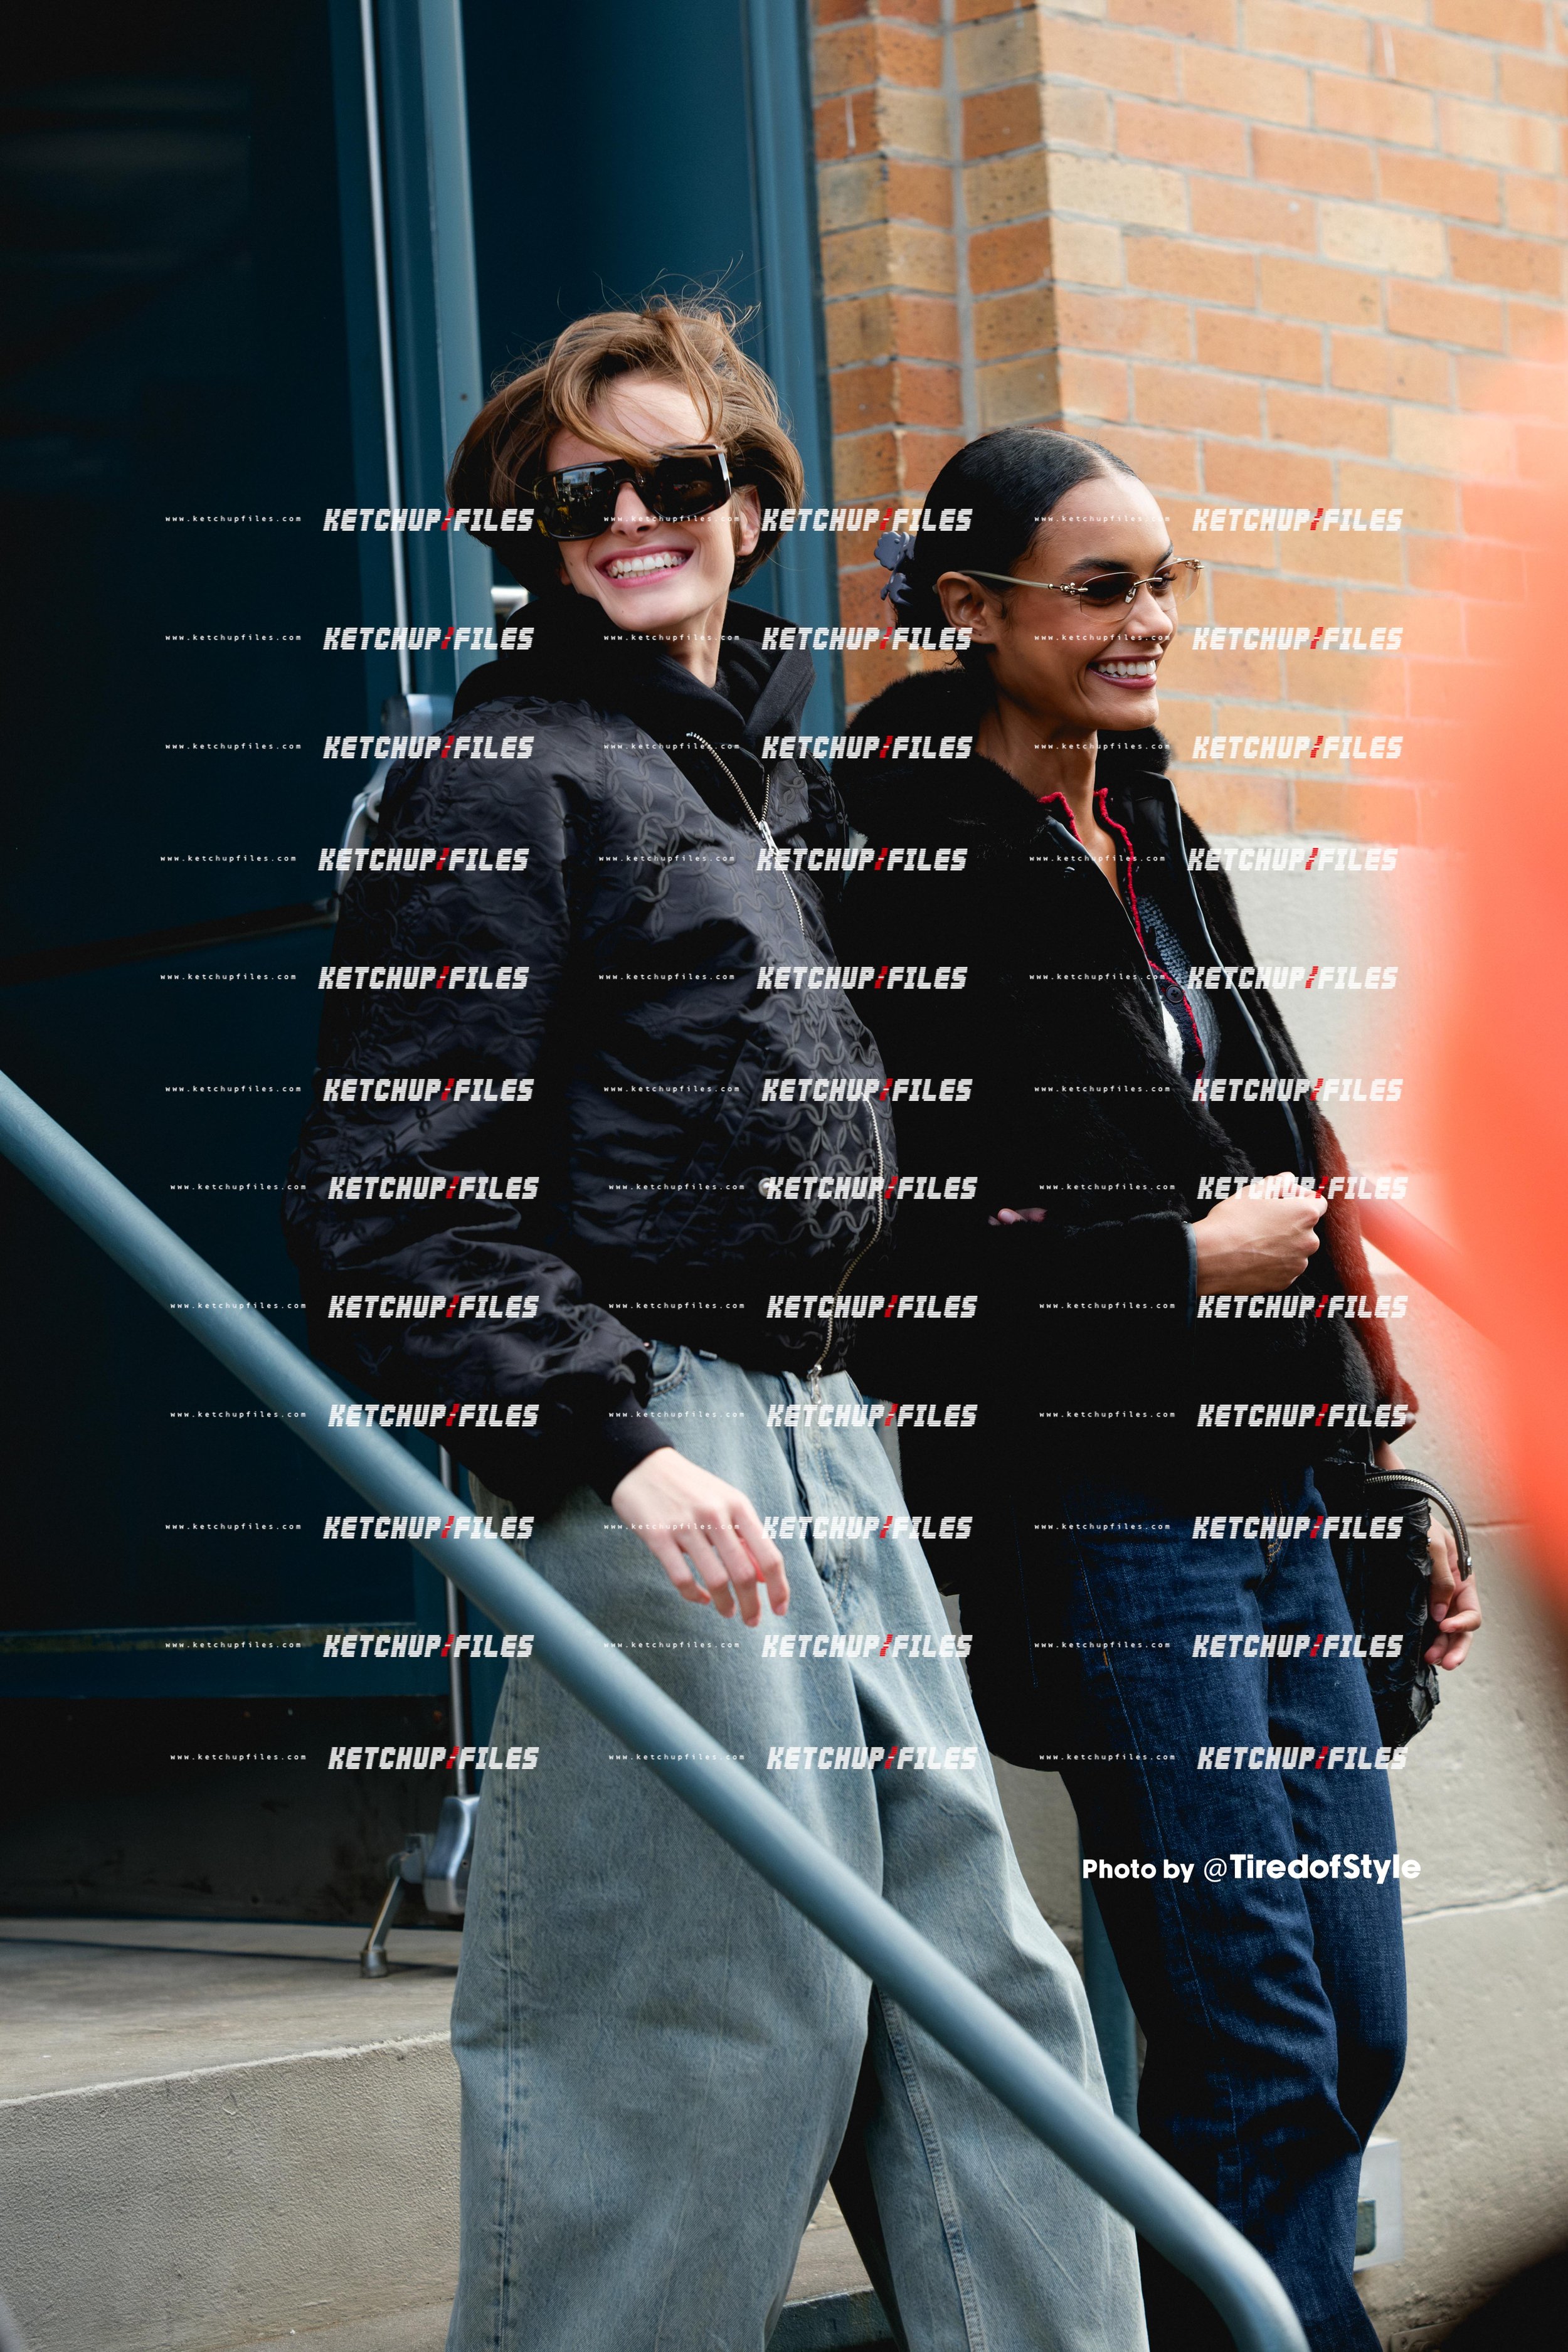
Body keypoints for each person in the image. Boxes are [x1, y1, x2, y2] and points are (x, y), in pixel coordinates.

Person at [285, 309, 1145, 2352]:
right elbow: (396, 1196)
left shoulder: (775, 788)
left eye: (677, 477)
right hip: (659, 1436)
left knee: (982, 2003)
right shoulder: (508, 777)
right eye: (580, 492)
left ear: (752, 508)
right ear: (531, 529)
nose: (632, 520)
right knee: (690, 2028)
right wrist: (612, 1441)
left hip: (827, 1434)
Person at [834, 426, 1481, 2352]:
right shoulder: (887, 860)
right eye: (1104, 587)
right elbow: (890, 1250)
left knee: (1348, 2028)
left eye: (1168, 582)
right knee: (1254, 2035)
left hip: (1271, 1502)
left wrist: (1371, 1471)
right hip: (1109, 1521)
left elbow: (1284, 1137)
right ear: (972, 610)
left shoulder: (1150, 823)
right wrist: (1162, 1263)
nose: (1152, 624)